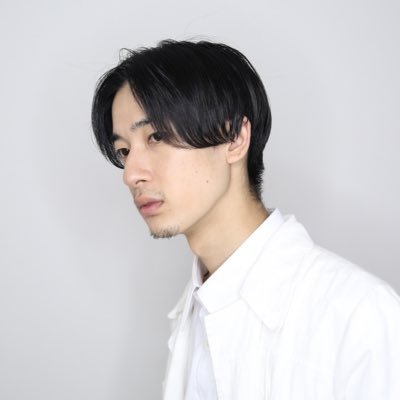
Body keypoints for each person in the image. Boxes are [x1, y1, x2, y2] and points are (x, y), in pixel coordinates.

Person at [91, 40, 400, 399]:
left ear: (235, 138)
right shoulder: (195, 313)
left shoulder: (358, 315)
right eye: (124, 151)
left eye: (156, 136)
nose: (131, 174)